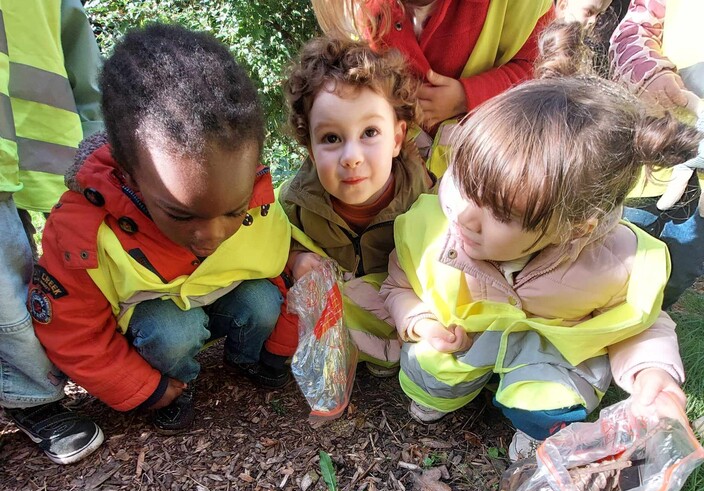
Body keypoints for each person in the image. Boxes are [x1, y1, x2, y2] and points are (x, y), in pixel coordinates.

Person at [380, 22, 696, 460]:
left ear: (576, 227)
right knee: (429, 366)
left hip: (549, 348)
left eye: (501, 212)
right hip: (469, 335)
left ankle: (538, 425)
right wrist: (418, 321)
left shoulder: (611, 261)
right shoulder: (433, 227)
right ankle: (440, 394)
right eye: (464, 180)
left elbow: (639, 323)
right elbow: (399, 283)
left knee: (549, 403)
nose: (465, 215)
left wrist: (654, 376)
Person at [28, 24, 297, 435]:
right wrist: (144, 389)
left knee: (262, 300)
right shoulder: (83, 231)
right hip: (153, 321)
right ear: (132, 178)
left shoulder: (260, 195)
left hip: (218, 297)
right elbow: (72, 331)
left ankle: (244, 359)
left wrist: (277, 347)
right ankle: (177, 385)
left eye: (232, 211)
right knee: (171, 330)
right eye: (182, 215)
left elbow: (275, 266)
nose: (211, 235)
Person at [268, 36, 433, 374]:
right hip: (337, 323)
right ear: (311, 150)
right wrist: (294, 258)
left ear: (397, 139)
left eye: (370, 132)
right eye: (331, 138)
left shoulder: (426, 201)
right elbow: (267, 240)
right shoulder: (294, 204)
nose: (352, 158)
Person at [1, 0, 104, 465]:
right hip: (36, 145)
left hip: (40, 143)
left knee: (18, 274)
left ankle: (32, 390)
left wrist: (100, 141)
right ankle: (31, 392)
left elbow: (74, 37)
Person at [311, 0, 554, 176]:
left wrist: (466, 96)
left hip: (492, 166)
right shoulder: (352, 10)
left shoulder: (523, 6)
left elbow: (545, 69)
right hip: (398, 177)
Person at [610, 0, 704, 307]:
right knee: (613, 247)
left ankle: (649, 320)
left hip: (699, 189)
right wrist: (650, 74)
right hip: (650, 155)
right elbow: (634, 28)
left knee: (681, 262)